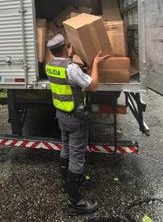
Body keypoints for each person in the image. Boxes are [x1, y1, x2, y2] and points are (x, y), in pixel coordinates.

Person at [45, 33, 109, 216]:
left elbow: (65, 69)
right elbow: (93, 85)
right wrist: (96, 63)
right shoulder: (72, 69)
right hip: (75, 119)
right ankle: (76, 202)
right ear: (66, 46)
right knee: (77, 158)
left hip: (61, 116)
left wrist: (69, 55)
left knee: (65, 150)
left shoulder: (51, 66)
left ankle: (66, 185)